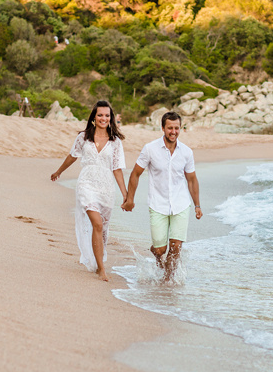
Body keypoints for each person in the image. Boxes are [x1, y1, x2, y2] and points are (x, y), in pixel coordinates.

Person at [51, 101, 128, 282]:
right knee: (97, 224)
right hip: (86, 184)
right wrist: (59, 171)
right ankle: (101, 269)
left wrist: (126, 194)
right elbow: (72, 156)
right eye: (100, 115)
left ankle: (96, 260)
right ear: (94, 116)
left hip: (106, 188)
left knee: (102, 229)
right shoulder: (84, 137)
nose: (103, 118)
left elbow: (117, 169)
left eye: (107, 115)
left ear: (111, 118)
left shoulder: (115, 142)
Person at [122, 112, 201, 282]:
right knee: (160, 250)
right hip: (158, 204)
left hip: (181, 204)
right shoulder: (150, 149)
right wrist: (130, 199)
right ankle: (157, 253)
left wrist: (197, 205)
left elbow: (192, 180)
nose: (174, 132)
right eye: (170, 128)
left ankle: (167, 280)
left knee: (176, 247)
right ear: (163, 128)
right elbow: (135, 174)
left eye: (177, 128)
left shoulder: (186, 152)